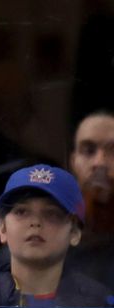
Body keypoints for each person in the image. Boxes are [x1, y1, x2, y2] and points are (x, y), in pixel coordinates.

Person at [0, 164, 112, 307]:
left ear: (75, 232)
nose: (35, 222)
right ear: (2, 228)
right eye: (21, 212)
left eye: (52, 214)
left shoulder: (99, 304)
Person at [66, 110, 114, 291]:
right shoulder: (53, 234)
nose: (100, 162)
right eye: (88, 150)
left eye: (113, 150)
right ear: (73, 161)